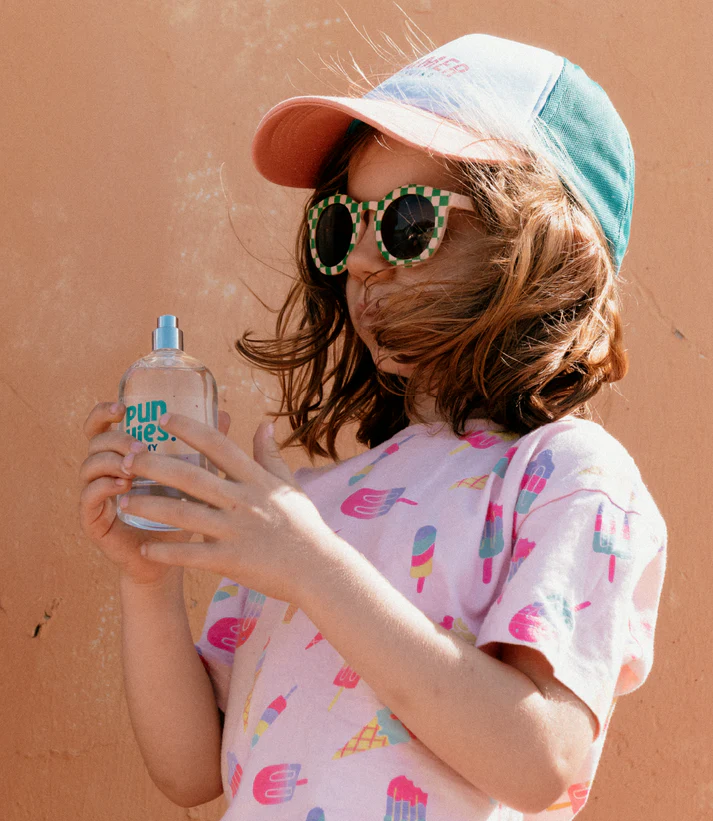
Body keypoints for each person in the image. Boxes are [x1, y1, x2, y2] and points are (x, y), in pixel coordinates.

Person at [79, 33, 666, 820]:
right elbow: (192, 772)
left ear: (546, 246)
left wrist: (309, 565)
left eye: (406, 221)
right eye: (339, 225)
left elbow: (536, 764)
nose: (358, 260)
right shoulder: (303, 504)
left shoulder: (567, 474)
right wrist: (148, 578)